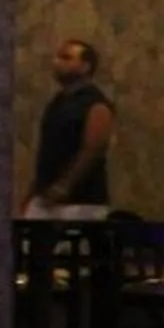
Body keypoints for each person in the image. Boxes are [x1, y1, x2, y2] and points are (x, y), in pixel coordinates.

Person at [26, 38, 116, 220]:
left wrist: (64, 186)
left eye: (66, 58)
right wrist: (33, 192)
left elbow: (93, 149)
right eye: (58, 57)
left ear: (85, 67)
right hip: (46, 197)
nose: (56, 62)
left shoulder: (95, 103)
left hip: (81, 202)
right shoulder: (57, 102)